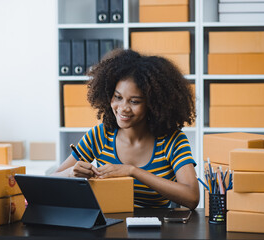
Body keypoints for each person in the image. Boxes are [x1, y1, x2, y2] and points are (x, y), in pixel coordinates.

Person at [52, 49, 199, 210]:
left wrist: (132, 171)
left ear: (153, 104)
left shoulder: (172, 141)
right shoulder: (100, 135)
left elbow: (192, 197)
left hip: (154, 230)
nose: (123, 108)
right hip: (106, 227)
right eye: (118, 97)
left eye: (134, 101)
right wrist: (72, 173)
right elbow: (52, 181)